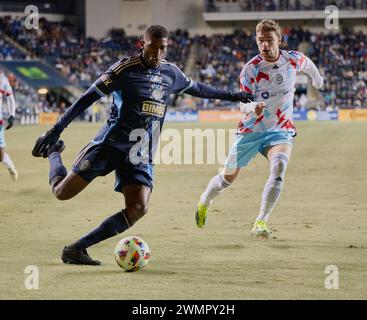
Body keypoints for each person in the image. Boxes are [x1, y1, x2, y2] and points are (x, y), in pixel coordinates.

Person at [31, 25, 253, 265]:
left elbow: (199, 89)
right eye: (152, 47)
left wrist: (233, 95)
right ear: (142, 44)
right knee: (62, 193)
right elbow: (87, 98)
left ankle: (77, 249)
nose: (157, 54)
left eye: (162, 49)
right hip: (110, 145)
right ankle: (54, 154)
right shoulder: (123, 70)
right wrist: (55, 131)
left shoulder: (171, 73)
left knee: (138, 207)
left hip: (140, 153)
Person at [195, 19, 324, 239]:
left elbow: (308, 65)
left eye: (269, 40)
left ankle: (261, 221)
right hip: (251, 130)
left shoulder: (293, 59)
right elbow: (242, 102)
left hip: (280, 129)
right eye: (260, 41)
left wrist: (318, 80)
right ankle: (204, 201)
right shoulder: (251, 69)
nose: (264, 45)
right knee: (227, 178)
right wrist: (253, 107)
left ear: (279, 40)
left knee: (280, 166)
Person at [0, 69, 18, 181]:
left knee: (0, 155)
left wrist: (12, 115)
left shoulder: (2, 80)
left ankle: (10, 166)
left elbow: (10, 98)